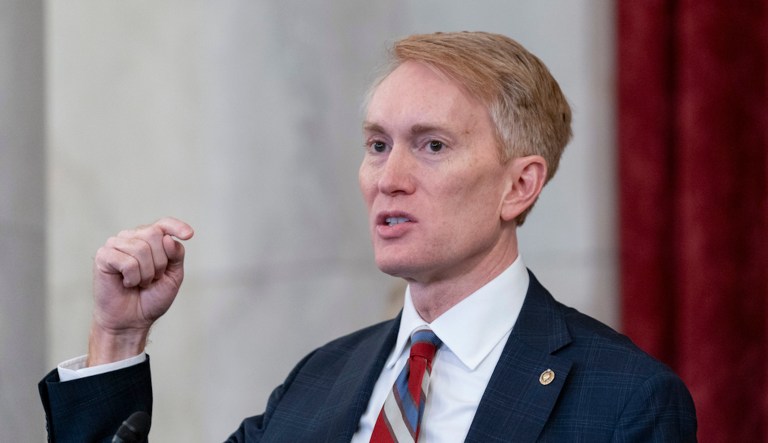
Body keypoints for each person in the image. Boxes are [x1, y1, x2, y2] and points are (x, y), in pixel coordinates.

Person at [39, 31, 697, 442]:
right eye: (377, 144)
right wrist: (118, 338)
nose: (389, 177)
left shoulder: (625, 400)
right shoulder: (318, 379)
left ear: (519, 185)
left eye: (431, 145)